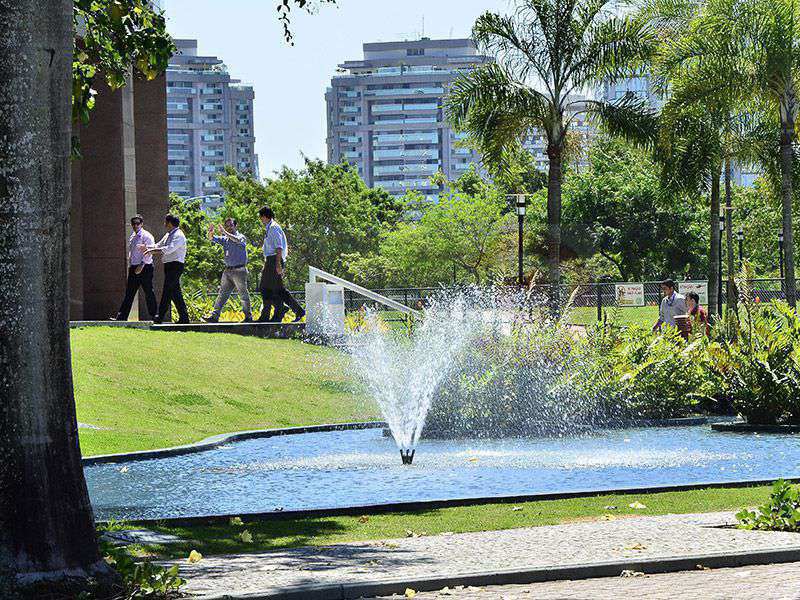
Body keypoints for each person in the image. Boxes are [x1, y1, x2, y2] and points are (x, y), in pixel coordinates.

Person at [257, 206, 305, 323]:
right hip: (270, 260)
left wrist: (278, 264)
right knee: (277, 290)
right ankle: (283, 311)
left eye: (261, 217)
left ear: (265, 216)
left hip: (274, 260)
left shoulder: (273, 228)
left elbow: (279, 247)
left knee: (265, 288)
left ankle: (271, 314)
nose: (261, 220)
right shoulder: (270, 228)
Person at [203, 218, 253, 323]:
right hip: (228, 271)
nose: (229, 228)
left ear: (235, 226)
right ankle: (214, 316)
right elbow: (211, 238)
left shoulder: (241, 237)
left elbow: (237, 240)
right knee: (222, 294)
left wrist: (225, 233)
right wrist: (210, 231)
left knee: (243, 294)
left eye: (231, 225)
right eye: (227, 226)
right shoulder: (225, 239)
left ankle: (248, 317)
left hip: (239, 270)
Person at [143, 214, 189, 324]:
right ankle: (184, 317)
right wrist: (147, 248)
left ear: (169, 223)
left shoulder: (178, 235)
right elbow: (159, 245)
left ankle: (160, 316)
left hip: (176, 265)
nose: (164, 224)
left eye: (165, 222)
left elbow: (169, 249)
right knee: (175, 293)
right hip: (169, 265)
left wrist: (152, 251)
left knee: (167, 291)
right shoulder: (168, 235)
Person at [111, 214, 158, 321]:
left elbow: (149, 252)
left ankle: (155, 316)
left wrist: (142, 265)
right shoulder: (132, 236)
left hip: (145, 267)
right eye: (133, 224)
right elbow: (132, 253)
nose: (135, 225)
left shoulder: (147, 236)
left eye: (138, 223)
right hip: (134, 267)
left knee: (148, 292)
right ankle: (121, 317)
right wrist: (131, 266)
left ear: (142, 224)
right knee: (129, 293)